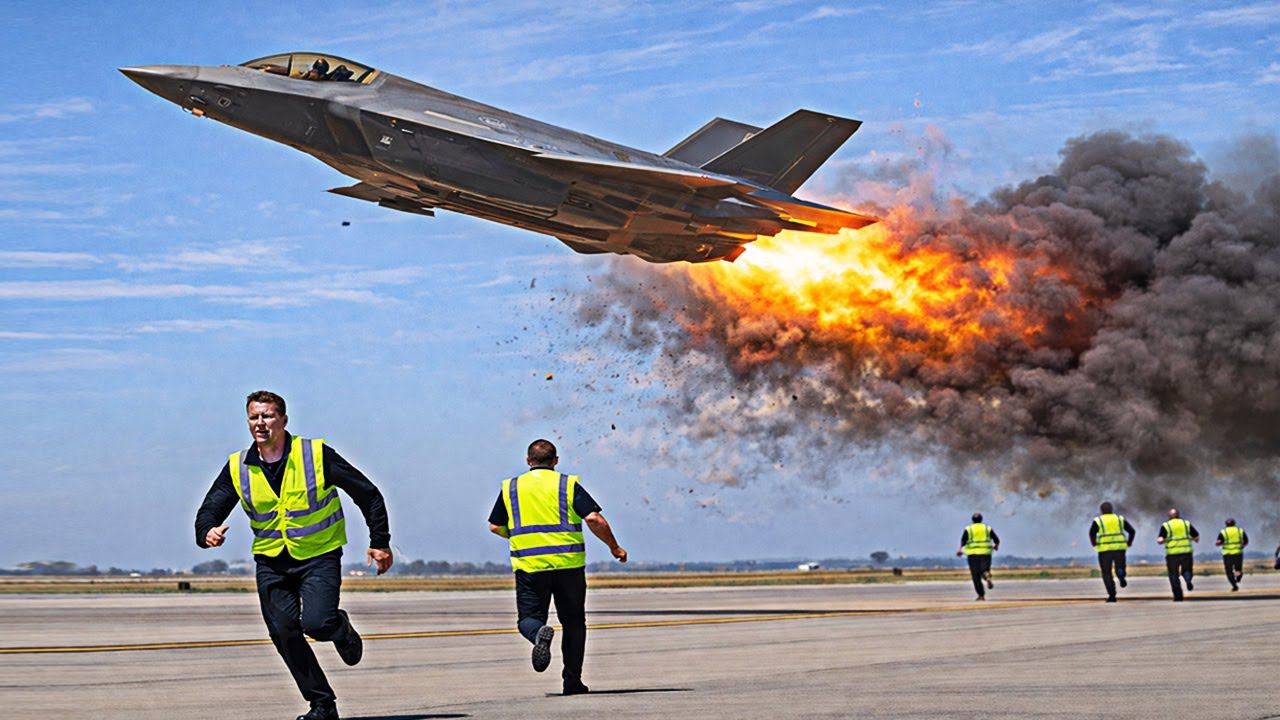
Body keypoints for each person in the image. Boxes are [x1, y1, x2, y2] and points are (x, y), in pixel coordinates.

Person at [195, 391, 394, 720]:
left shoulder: (314, 454)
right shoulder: (238, 467)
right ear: (248, 422)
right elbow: (209, 509)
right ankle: (321, 704)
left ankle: (340, 629)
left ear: (284, 420)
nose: (261, 423)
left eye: (268, 416)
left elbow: (368, 493)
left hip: (319, 556)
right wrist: (207, 532)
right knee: (284, 631)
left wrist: (380, 541)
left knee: (317, 623)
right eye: (254, 417)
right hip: (271, 562)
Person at [488, 439, 627, 695]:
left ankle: (538, 634)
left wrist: (520, 536)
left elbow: (495, 526)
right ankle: (572, 681)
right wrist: (614, 547)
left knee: (528, 620)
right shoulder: (567, 484)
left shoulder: (511, 487)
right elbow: (593, 518)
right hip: (569, 566)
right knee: (574, 623)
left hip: (530, 566)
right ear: (555, 461)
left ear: (528, 461)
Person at [1089, 501, 1136, 603]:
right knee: (1120, 567)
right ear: (1112, 509)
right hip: (1119, 548)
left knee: (1107, 573)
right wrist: (1129, 542)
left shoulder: (1098, 520)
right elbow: (1132, 531)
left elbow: (1092, 533)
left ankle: (1112, 595)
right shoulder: (1119, 519)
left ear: (1101, 511)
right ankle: (1121, 575)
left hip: (1104, 550)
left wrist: (1094, 544)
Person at [1156, 508, 1199, 602]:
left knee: (1173, 575)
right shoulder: (1186, 524)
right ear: (1178, 515)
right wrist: (1192, 539)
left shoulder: (1166, 525)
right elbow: (1196, 537)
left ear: (1169, 516)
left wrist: (1161, 541)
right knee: (1187, 570)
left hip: (1172, 554)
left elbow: (1160, 539)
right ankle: (1188, 580)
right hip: (1186, 552)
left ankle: (1178, 596)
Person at [956, 513, 999, 601]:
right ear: (981, 519)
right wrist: (996, 546)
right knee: (984, 570)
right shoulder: (987, 528)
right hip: (985, 553)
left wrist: (959, 550)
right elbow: (996, 540)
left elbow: (963, 541)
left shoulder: (969, 529)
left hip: (972, 554)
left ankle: (981, 595)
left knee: (975, 575)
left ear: (972, 520)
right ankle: (986, 575)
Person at [1215, 518, 1248, 591]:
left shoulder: (1223, 532)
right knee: (1238, 569)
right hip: (1238, 553)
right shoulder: (1240, 531)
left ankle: (1234, 584)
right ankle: (1238, 577)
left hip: (1227, 554)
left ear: (1226, 524)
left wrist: (1218, 543)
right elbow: (1246, 541)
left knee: (1229, 570)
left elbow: (1218, 542)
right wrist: (1242, 546)